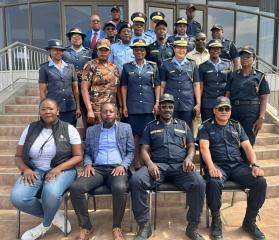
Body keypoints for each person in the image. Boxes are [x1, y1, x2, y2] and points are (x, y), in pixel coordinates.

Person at [130, 93, 205, 240]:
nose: (167, 109)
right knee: (136, 181)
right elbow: (143, 149)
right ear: (159, 109)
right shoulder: (150, 127)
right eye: (164, 106)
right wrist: (150, 163)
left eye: (170, 106)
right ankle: (144, 226)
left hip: (180, 167)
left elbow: (191, 146)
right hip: (158, 167)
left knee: (199, 183)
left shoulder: (183, 125)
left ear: (173, 108)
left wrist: (189, 158)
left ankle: (192, 227)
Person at [10, 98, 83, 240]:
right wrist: (26, 169)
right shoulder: (30, 128)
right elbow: (18, 156)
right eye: (43, 109)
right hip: (34, 170)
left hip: (63, 170)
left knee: (51, 192)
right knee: (17, 198)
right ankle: (54, 215)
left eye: (51, 108)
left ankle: (43, 226)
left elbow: (78, 156)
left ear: (58, 111)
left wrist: (58, 169)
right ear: (39, 111)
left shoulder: (69, 129)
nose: (47, 111)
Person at [197, 96, 267, 240]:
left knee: (260, 181)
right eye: (221, 108)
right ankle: (216, 220)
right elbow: (204, 147)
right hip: (218, 166)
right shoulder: (206, 126)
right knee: (214, 182)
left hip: (237, 166)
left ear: (230, 111)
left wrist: (254, 165)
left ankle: (249, 222)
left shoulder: (237, 126)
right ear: (214, 110)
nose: (224, 111)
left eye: (227, 108)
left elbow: (247, 147)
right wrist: (210, 167)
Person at [70, 103, 134, 240]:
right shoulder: (91, 130)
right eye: (105, 111)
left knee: (120, 187)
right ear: (100, 114)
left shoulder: (125, 128)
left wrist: (123, 165)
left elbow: (130, 152)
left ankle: (117, 226)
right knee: (76, 188)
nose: (108, 114)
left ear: (116, 114)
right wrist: (87, 164)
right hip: (97, 169)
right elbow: (87, 152)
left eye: (111, 111)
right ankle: (86, 226)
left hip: (117, 168)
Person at [121, 39, 160, 169]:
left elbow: (157, 86)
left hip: (148, 107)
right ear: (133, 51)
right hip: (132, 106)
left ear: (145, 52)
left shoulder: (153, 66)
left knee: (147, 135)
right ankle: (136, 162)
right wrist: (124, 106)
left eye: (142, 50)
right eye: (137, 50)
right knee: (134, 137)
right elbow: (124, 87)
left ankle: (146, 162)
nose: (139, 52)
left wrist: (157, 103)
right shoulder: (127, 67)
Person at [225, 46, 270, 146]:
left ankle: (246, 162)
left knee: (248, 140)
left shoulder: (260, 76)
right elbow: (227, 95)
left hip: (251, 113)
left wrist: (261, 117)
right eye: (242, 56)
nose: (244, 58)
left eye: (247, 56)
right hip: (234, 111)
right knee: (233, 139)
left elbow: (263, 99)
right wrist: (226, 111)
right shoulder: (233, 75)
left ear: (253, 59)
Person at [160, 37, 201, 128]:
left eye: (184, 48)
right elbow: (162, 85)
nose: (181, 50)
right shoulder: (165, 64)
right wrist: (160, 102)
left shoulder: (193, 64)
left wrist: (198, 104)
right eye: (178, 47)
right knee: (169, 128)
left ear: (186, 50)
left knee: (186, 128)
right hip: (170, 103)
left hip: (187, 103)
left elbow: (196, 85)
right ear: (174, 49)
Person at [39, 39, 81, 127]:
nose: (58, 52)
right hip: (53, 108)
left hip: (70, 107)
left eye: (61, 50)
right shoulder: (44, 68)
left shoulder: (70, 67)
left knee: (69, 133)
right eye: (55, 50)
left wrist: (78, 107)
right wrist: (44, 108)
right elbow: (42, 91)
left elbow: (75, 89)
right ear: (49, 51)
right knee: (54, 133)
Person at [82, 38, 120, 125]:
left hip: (112, 109)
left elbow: (117, 88)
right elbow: (84, 89)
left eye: (106, 50)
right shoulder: (90, 65)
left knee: (112, 135)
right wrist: (89, 110)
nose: (103, 52)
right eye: (101, 50)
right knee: (98, 136)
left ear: (110, 52)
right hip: (97, 109)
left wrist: (121, 107)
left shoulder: (114, 67)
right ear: (97, 51)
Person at [63, 28, 92, 132]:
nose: (76, 39)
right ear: (70, 39)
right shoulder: (64, 52)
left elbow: (93, 68)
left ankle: (87, 136)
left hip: (86, 89)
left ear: (83, 39)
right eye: (74, 37)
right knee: (71, 114)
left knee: (87, 113)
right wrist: (73, 74)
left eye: (79, 37)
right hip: (69, 89)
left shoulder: (89, 52)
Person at [199, 39, 232, 121]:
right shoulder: (202, 66)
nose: (215, 51)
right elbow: (200, 87)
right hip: (208, 103)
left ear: (220, 51)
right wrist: (199, 104)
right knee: (207, 125)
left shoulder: (227, 65)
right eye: (213, 49)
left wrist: (226, 100)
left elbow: (229, 85)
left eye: (218, 49)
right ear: (209, 50)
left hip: (223, 103)